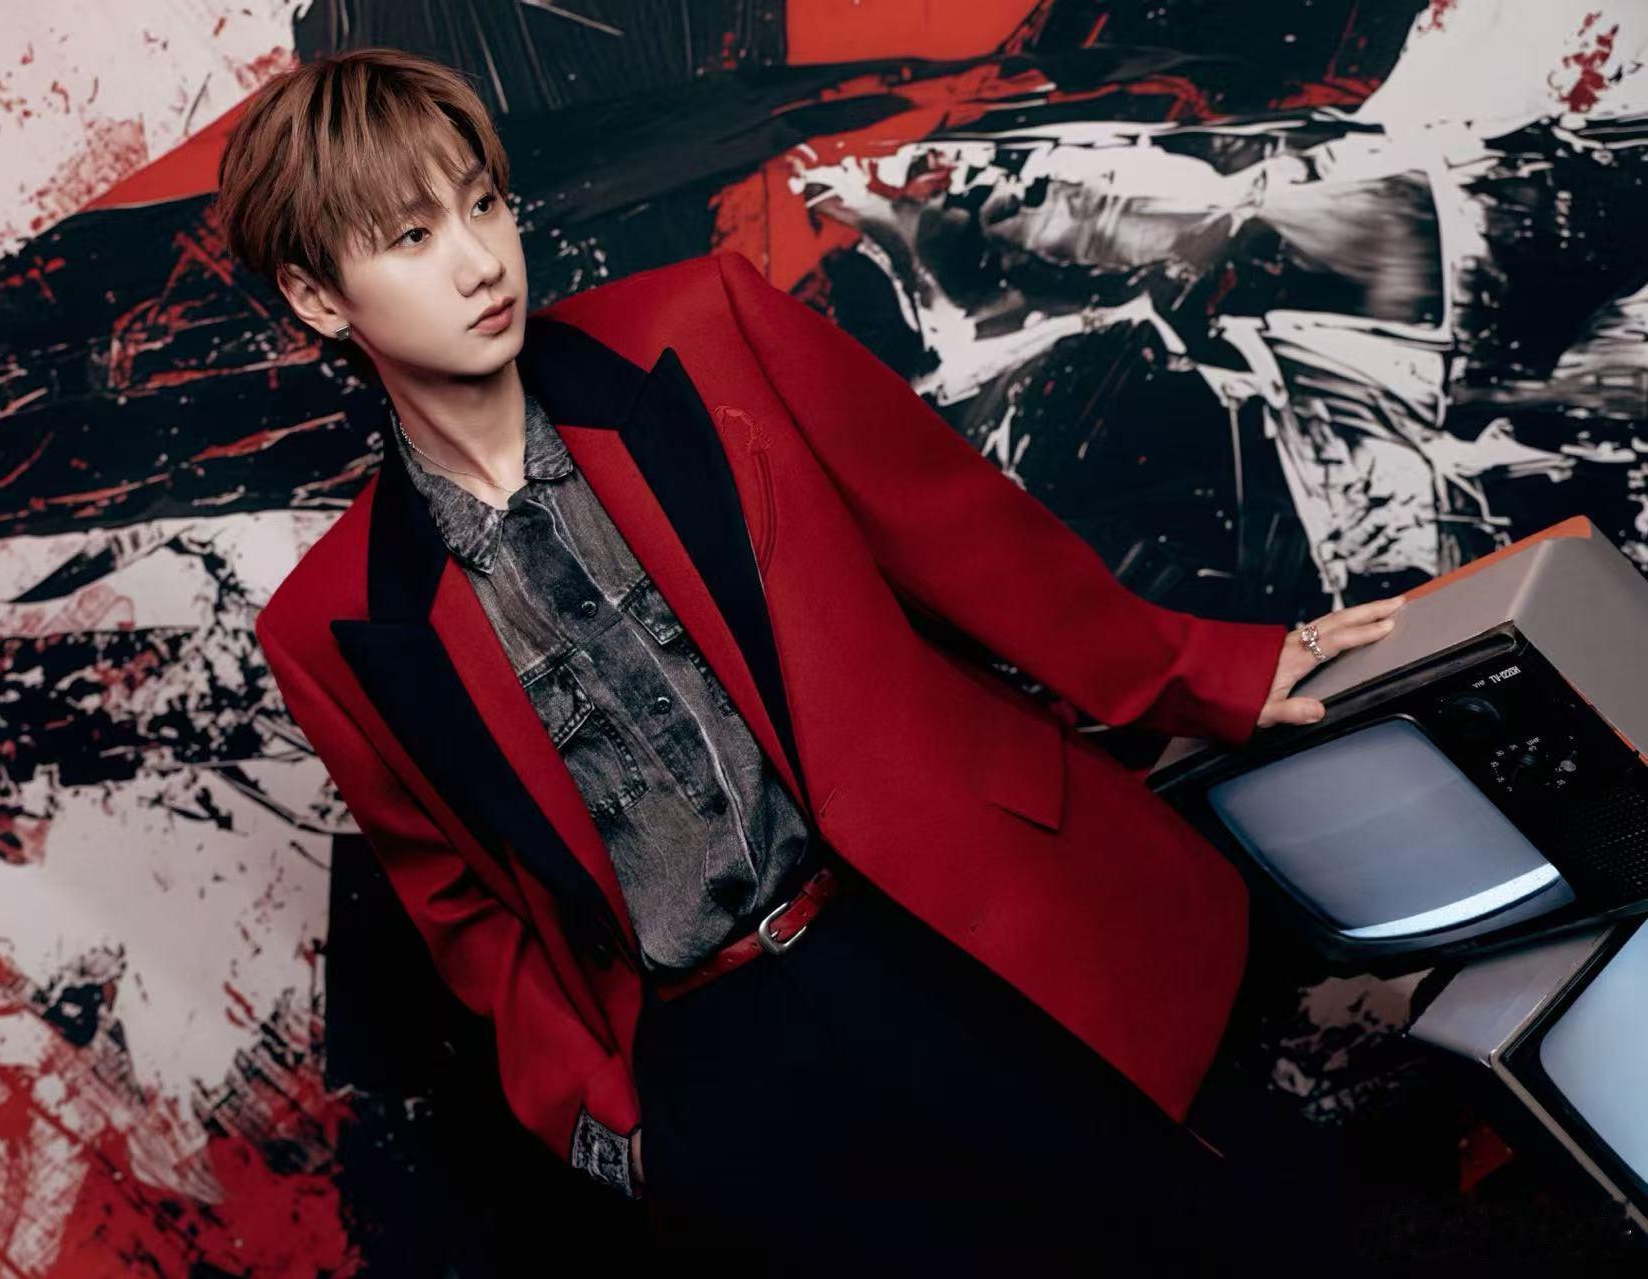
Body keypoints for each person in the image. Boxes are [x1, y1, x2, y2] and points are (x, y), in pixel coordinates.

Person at [221, 47, 1404, 1272]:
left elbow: (960, 531)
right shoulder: (328, 623)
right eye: (413, 238)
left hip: (947, 932)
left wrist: (1203, 673)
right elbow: (460, 909)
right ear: (317, 297)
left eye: (481, 204)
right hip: (730, 1074)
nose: (479, 261)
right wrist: (612, 1127)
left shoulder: (701, 329)